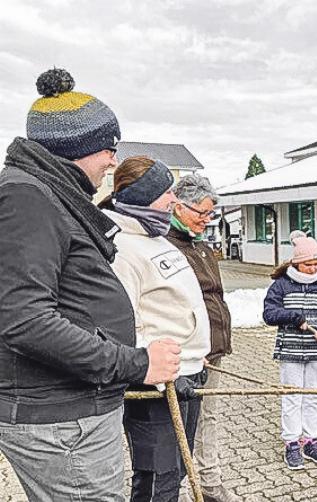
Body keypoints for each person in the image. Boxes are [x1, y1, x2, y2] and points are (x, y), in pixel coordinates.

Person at [0, 68, 180, 501]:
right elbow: (24, 321)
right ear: (79, 148)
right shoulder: (28, 198)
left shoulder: (45, 194)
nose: (113, 162)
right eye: (109, 149)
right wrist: (136, 365)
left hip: (71, 412)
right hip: (61, 419)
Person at [99, 156, 211, 501]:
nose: (173, 201)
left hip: (188, 375)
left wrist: (196, 356)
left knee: (177, 470)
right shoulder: (122, 249)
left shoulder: (156, 235)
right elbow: (121, 323)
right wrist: (162, 374)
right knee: (156, 478)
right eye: (166, 193)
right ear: (146, 196)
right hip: (158, 384)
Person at [167, 174, 238, 502]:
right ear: (179, 206)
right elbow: (170, 306)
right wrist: (193, 347)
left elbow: (214, 297)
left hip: (213, 349)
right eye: (202, 213)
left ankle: (209, 486)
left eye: (211, 214)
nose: (207, 220)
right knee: (183, 424)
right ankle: (184, 487)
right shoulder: (167, 247)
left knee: (209, 419)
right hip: (190, 355)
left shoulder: (202, 246)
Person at [263, 231, 317, 470]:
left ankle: (311, 440)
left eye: (316, 263)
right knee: (293, 396)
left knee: (314, 396)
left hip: (316, 349)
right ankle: (292, 443)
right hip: (291, 349)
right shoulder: (281, 285)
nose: (313, 268)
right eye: (308, 264)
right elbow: (269, 314)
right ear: (296, 262)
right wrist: (294, 318)